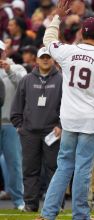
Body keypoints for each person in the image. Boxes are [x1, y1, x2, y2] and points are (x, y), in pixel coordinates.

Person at [35, 0, 94, 220]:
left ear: (83, 33)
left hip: (69, 119)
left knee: (64, 166)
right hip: (91, 120)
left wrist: (57, 17)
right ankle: (81, 214)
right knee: (83, 169)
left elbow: (48, 41)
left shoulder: (67, 51)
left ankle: (48, 214)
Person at [10, 47, 62, 212]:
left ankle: (56, 205)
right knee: (30, 169)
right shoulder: (26, 80)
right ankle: (31, 205)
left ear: (52, 60)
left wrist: (61, 126)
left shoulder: (61, 79)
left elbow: (67, 106)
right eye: (43, 57)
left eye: (48, 57)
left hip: (52, 132)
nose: (45, 60)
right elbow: (17, 105)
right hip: (29, 133)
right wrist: (19, 126)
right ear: (37, 60)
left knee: (54, 169)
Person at [0, 40, 26, 210]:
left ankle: (19, 202)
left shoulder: (17, 68)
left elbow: (24, 85)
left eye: (0, 52)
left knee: (14, 164)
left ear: (5, 51)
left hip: (9, 123)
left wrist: (8, 70)